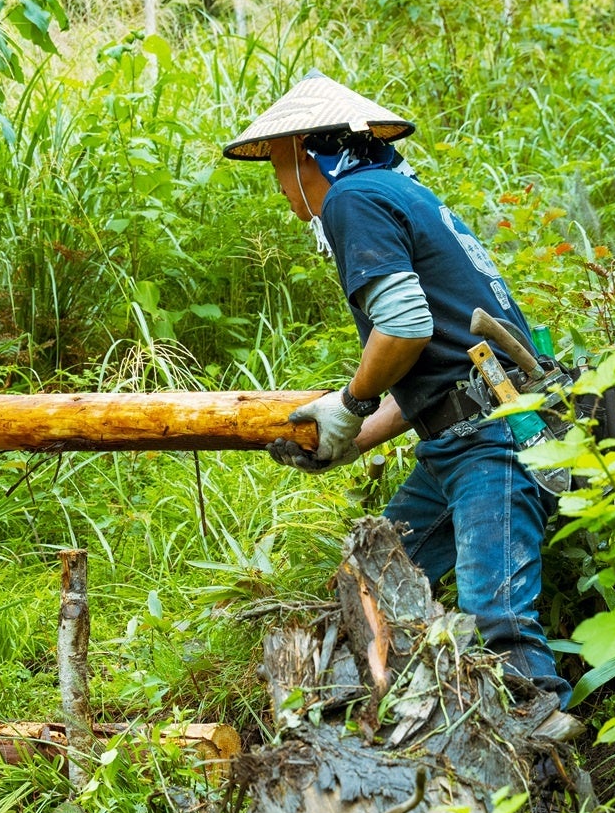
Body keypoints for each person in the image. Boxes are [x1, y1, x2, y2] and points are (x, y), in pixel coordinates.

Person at [223, 72, 570, 707]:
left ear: (304, 152)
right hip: (462, 434)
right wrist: (347, 440)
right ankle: (369, 723)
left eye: (276, 165)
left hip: (491, 440)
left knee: (499, 625)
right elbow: (440, 374)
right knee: (373, 587)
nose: (278, 183)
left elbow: (406, 329)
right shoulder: (398, 192)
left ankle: (542, 746)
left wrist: (350, 403)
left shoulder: (352, 200)